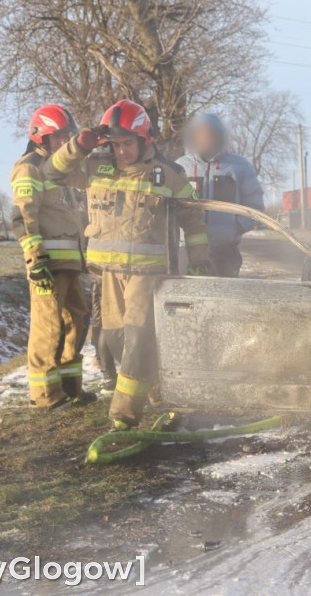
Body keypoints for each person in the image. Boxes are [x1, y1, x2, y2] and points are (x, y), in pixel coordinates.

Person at [44, 100, 210, 431]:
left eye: (128, 143)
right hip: (108, 274)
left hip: (148, 275)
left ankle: (123, 417)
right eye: (116, 144)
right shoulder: (95, 167)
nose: (122, 151)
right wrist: (78, 146)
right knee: (116, 341)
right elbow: (51, 173)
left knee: (137, 341)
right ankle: (166, 397)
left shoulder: (168, 174)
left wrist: (200, 260)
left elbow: (194, 219)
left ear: (145, 139)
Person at [10, 104, 94, 409]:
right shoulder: (29, 167)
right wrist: (35, 259)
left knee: (77, 321)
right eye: (57, 136)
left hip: (70, 263)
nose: (63, 142)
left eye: (66, 136)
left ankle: (71, 388)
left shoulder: (61, 168)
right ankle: (45, 396)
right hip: (47, 264)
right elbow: (23, 216)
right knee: (48, 328)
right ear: (40, 137)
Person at [176, 113, 264, 277]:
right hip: (186, 251)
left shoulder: (239, 167)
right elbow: (168, 207)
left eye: (211, 134)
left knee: (224, 293)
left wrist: (235, 228)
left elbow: (256, 207)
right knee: (187, 292)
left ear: (220, 136)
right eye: (201, 134)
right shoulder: (180, 167)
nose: (206, 139)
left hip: (225, 252)